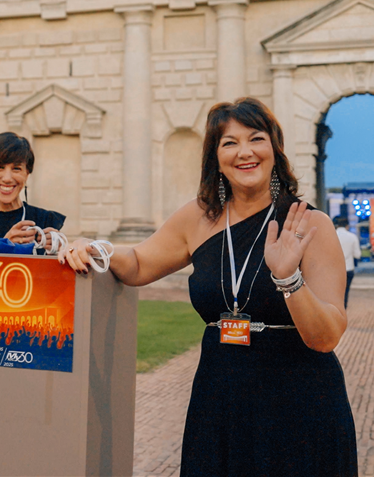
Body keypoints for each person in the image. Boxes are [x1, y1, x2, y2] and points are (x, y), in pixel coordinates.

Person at [62, 97, 357, 477]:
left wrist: (288, 279)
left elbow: (326, 337)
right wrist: (95, 247)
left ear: (275, 149)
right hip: (220, 399)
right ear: (215, 157)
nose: (244, 152)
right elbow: (138, 262)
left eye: (256, 139)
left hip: (299, 404)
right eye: (230, 142)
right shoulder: (198, 217)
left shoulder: (309, 225)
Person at [334, 214, 360, 308]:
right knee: (345, 291)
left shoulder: (332, 235)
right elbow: (357, 255)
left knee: (335, 292)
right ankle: (343, 310)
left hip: (334, 269)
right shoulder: (352, 237)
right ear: (347, 226)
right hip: (348, 268)